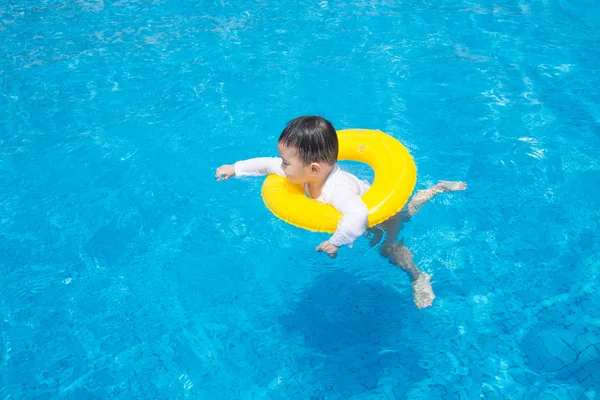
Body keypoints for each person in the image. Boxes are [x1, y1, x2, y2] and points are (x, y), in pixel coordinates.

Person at [215, 116, 466, 308]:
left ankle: (419, 277)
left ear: (313, 169)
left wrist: (337, 241)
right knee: (409, 211)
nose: (281, 166)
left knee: (389, 249)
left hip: (380, 218)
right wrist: (235, 168)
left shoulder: (338, 189)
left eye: (286, 162)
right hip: (367, 209)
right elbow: (266, 164)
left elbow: (357, 214)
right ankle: (436, 189)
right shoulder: (299, 170)